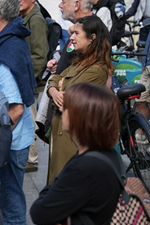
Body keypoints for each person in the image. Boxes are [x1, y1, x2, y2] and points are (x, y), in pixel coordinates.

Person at [30, 82, 122, 225]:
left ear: (79, 117)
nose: (61, 108)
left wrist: (53, 186)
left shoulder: (84, 167)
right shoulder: (106, 153)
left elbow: (39, 212)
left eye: (66, 107)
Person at [0, 0, 35, 223]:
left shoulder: (7, 51)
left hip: (11, 143)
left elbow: (16, 109)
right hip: (12, 139)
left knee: (10, 203)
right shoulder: (1, 42)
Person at [46, 15, 113, 184]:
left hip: (74, 141)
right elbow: (54, 79)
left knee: (66, 190)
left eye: (76, 33)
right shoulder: (80, 61)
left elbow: (70, 100)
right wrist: (55, 90)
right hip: (62, 136)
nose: (72, 38)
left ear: (92, 38)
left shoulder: (97, 70)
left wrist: (61, 87)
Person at [19, 0, 49, 173]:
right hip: (28, 77)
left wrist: (27, 77)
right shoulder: (27, 17)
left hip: (30, 79)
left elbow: (40, 55)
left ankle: (32, 159)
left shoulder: (35, 20)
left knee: (30, 119)